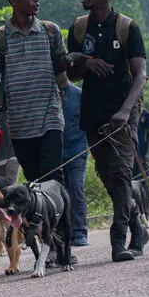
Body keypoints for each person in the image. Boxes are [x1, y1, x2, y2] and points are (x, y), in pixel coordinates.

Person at [67, 0, 149, 262]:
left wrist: (126, 111)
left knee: (121, 172)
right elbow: (72, 73)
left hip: (123, 110)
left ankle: (119, 240)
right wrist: (86, 65)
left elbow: (140, 75)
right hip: (92, 111)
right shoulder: (78, 28)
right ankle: (138, 226)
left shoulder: (127, 27)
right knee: (107, 174)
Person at [0, 0, 68, 185]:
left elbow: (61, 69)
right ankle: (41, 218)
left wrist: (73, 61)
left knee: (53, 177)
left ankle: (61, 218)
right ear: (14, 0)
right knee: (33, 179)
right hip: (19, 123)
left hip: (50, 116)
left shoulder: (50, 31)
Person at [58, 72, 89, 246]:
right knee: (61, 193)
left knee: (76, 188)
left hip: (77, 151)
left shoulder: (78, 94)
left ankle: (80, 232)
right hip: (56, 152)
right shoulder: (52, 95)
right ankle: (63, 234)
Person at [135, 108, 149, 176]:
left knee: (144, 176)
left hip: (142, 150)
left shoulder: (146, 114)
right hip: (130, 150)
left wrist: (147, 153)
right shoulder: (127, 113)